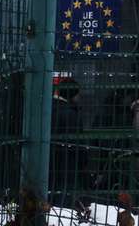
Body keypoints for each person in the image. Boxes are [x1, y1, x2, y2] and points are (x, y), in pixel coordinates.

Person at [49, 78, 82, 206]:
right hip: (67, 164)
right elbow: (78, 144)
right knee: (64, 201)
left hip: (48, 160)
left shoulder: (46, 108)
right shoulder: (72, 114)